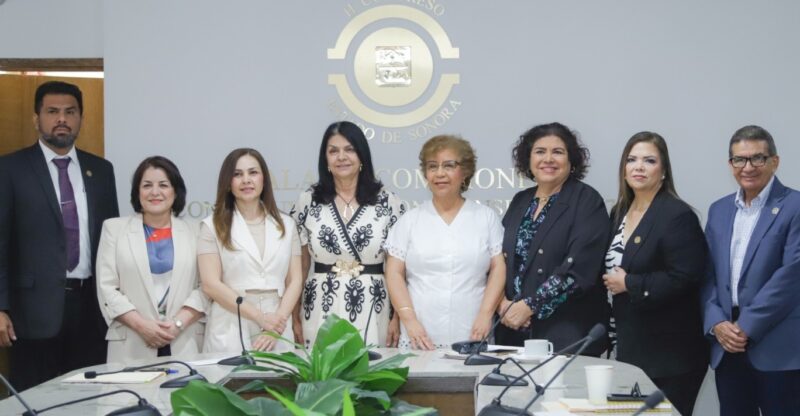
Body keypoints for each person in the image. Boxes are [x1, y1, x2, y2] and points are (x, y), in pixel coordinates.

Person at [0, 81, 119, 390]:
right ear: (36, 118)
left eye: (70, 112)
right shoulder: (10, 169)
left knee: (88, 400)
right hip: (31, 313)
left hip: (91, 311)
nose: (62, 119)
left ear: (81, 118)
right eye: (52, 111)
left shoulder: (101, 170)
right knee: (35, 400)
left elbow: (112, 241)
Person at [603, 132, 708, 415]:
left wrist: (630, 283)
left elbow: (686, 277)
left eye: (649, 160)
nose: (639, 167)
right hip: (629, 348)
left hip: (669, 356)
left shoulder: (677, 215)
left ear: (663, 171)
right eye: (632, 160)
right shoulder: (619, 212)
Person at [703, 125, 800, 415]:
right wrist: (716, 322)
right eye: (739, 159)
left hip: (778, 348)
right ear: (730, 164)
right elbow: (706, 274)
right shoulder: (719, 210)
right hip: (727, 345)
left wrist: (746, 326)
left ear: (775, 161)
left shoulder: (795, 206)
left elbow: (792, 275)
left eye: (758, 158)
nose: (748, 167)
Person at [494, 122, 609, 356]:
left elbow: (578, 271)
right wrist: (502, 304)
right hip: (512, 330)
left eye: (557, 152)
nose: (548, 159)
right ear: (528, 159)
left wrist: (529, 306)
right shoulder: (521, 201)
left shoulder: (586, 200)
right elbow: (499, 260)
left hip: (566, 332)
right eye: (540, 152)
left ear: (571, 160)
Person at [290, 121, 406, 349]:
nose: (341, 157)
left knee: (372, 367)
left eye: (349, 149)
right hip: (320, 304)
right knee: (322, 369)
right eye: (333, 151)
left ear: (362, 156)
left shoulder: (388, 202)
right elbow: (300, 267)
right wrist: (294, 316)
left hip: (374, 304)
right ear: (325, 159)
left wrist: (398, 317)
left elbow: (399, 269)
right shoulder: (308, 201)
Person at [384, 135, 505, 350]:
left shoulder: (485, 218)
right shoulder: (409, 221)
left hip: (473, 329)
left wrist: (486, 314)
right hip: (419, 334)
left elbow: (498, 268)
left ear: (465, 171)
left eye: (449, 166)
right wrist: (409, 320)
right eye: (433, 166)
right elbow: (394, 273)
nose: (440, 173)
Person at [96, 156, 207, 362]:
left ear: (176, 191)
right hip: (132, 343)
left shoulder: (197, 231)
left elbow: (206, 287)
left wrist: (177, 325)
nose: (155, 192)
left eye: (163, 185)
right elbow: (107, 288)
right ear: (137, 192)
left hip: (185, 341)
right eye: (147, 185)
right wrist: (142, 326)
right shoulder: (114, 229)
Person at [199, 148, 302, 353]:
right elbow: (210, 285)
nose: (246, 180)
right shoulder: (211, 226)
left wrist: (276, 325)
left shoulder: (287, 225)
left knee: (279, 374)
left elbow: (295, 281)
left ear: (264, 179)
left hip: (278, 324)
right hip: (231, 322)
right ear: (228, 182)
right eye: (237, 174)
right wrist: (259, 317)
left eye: (253, 172)